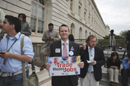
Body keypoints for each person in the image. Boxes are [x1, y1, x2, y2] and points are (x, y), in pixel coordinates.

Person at [0, 15, 34, 86]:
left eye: (4, 23)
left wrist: (9, 55)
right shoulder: (3, 40)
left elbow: (29, 58)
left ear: (12, 26)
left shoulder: (24, 39)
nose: (2, 25)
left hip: (18, 78)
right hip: (2, 77)